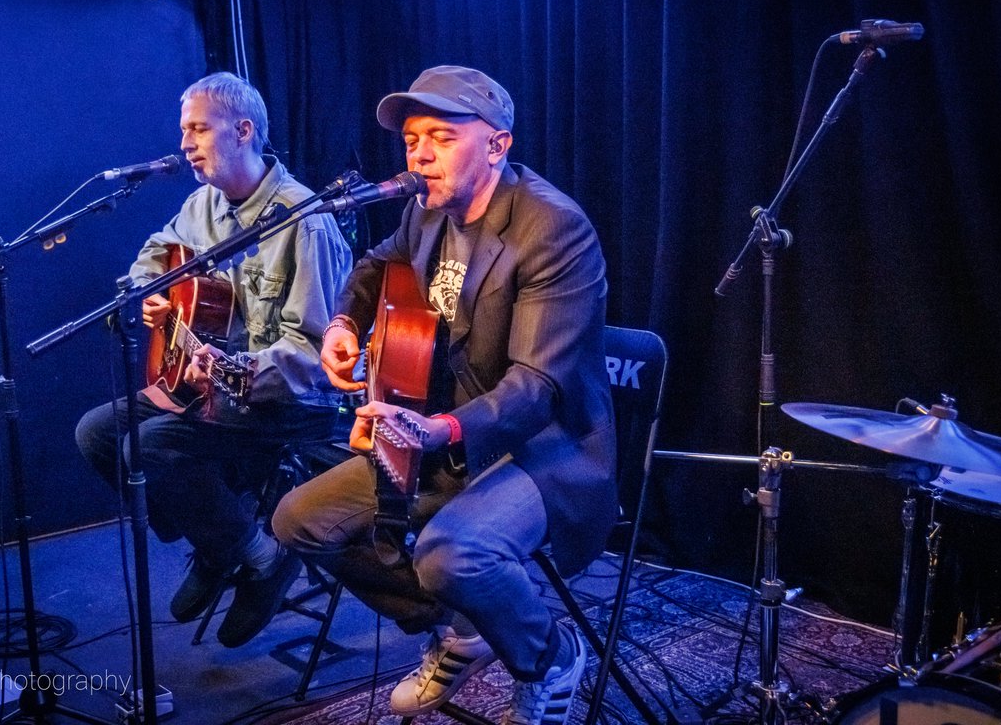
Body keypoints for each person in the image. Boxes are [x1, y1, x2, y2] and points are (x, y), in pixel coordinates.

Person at [272, 65, 616, 725]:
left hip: (543, 451)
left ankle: (548, 654)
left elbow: (537, 387)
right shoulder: (425, 210)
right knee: (299, 522)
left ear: (497, 144)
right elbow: (376, 264)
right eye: (410, 139)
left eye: (441, 135)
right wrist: (345, 322)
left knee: (452, 553)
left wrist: (441, 433)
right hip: (436, 432)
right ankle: (467, 628)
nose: (420, 153)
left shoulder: (553, 229)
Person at [76, 71, 352, 647]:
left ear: (244, 131)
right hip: (211, 384)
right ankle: (226, 542)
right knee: (96, 435)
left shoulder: (306, 222)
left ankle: (259, 555)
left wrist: (239, 372)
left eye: (198, 129)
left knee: (149, 448)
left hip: (289, 400)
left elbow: (311, 353)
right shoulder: (201, 204)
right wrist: (152, 291)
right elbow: (155, 255)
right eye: (184, 131)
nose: (184, 144)